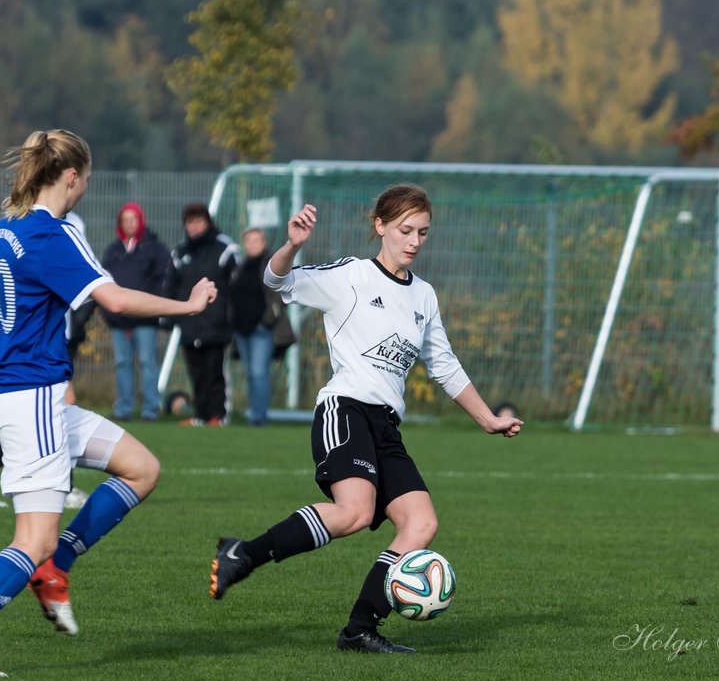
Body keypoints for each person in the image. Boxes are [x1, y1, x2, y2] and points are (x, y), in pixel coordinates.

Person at [0, 129, 217, 677]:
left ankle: (57, 567)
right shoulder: (54, 234)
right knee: (33, 537)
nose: (85, 190)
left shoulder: (2, 234)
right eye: (87, 181)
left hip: (18, 400)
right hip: (32, 402)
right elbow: (116, 299)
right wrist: (188, 306)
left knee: (142, 469)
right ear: (72, 178)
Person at [209, 185, 523, 654]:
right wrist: (292, 245)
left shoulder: (424, 296)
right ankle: (244, 554)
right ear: (380, 226)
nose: (414, 241)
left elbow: (444, 364)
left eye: (422, 232)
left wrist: (487, 419)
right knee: (354, 512)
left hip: (385, 426)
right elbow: (277, 281)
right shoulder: (351, 276)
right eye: (404, 230)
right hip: (345, 410)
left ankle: (359, 629)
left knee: (420, 523)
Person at [0, 209, 93, 511]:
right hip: (37, 335)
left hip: (56, 331)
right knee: (60, 406)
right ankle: (62, 487)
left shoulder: (71, 223)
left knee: (50, 411)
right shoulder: (25, 223)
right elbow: (6, 276)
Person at [166, 202, 239, 426]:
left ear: (208, 222)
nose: (195, 227)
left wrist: (231, 316)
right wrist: (169, 318)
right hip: (190, 324)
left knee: (215, 373)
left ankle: (218, 415)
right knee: (196, 374)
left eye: (199, 221)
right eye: (190, 222)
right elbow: (171, 285)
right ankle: (200, 415)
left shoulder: (225, 248)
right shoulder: (180, 252)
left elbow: (237, 284)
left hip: (217, 325)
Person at [102, 202, 173, 422]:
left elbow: (164, 279)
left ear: (141, 221)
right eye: (126, 219)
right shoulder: (113, 251)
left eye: (134, 219)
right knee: (122, 364)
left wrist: (149, 305)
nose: (130, 223)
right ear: (120, 223)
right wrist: (109, 312)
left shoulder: (155, 248)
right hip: (118, 319)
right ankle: (124, 408)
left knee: (147, 363)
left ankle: (151, 408)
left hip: (144, 319)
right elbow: (104, 281)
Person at [229, 227, 294, 425]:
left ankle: (259, 417)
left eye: (256, 240)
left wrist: (267, 319)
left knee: (259, 372)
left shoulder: (271, 264)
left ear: (264, 242)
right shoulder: (241, 266)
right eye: (248, 241)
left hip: (261, 329)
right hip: (241, 329)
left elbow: (279, 294)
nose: (252, 244)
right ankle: (254, 413)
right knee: (250, 373)